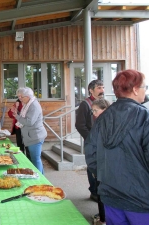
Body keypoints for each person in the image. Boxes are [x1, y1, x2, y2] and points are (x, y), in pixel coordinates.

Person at [85, 69, 149, 225]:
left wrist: (105, 176)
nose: (145, 91)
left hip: (110, 196)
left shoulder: (102, 117)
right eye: (144, 87)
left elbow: (90, 154)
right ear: (134, 89)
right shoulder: (144, 117)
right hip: (140, 200)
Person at [75, 79, 104, 202]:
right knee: (92, 167)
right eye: (99, 88)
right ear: (91, 90)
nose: (102, 90)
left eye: (103, 87)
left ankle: (102, 191)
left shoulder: (105, 103)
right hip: (92, 142)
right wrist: (91, 139)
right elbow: (80, 125)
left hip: (104, 142)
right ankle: (94, 192)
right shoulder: (85, 104)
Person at [11, 87, 47, 173]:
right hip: (31, 136)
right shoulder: (28, 104)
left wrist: (17, 116)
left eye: (21, 97)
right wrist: (17, 114)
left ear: (28, 96)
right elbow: (25, 117)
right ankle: (42, 178)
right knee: (35, 159)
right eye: (18, 97)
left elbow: (29, 122)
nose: (20, 99)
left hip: (35, 137)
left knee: (35, 160)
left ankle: (40, 181)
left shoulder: (33, 105)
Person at [90, 98, 110, 225]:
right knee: (100, 193)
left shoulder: (108, 124)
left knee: (103, 194)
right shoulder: (100, 123)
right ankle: (103, 217)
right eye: (92, 111)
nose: (94, 114)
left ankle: (103, 219)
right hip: (100, 165)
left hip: (105, 166)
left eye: (96, 110)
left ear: (105, 110)